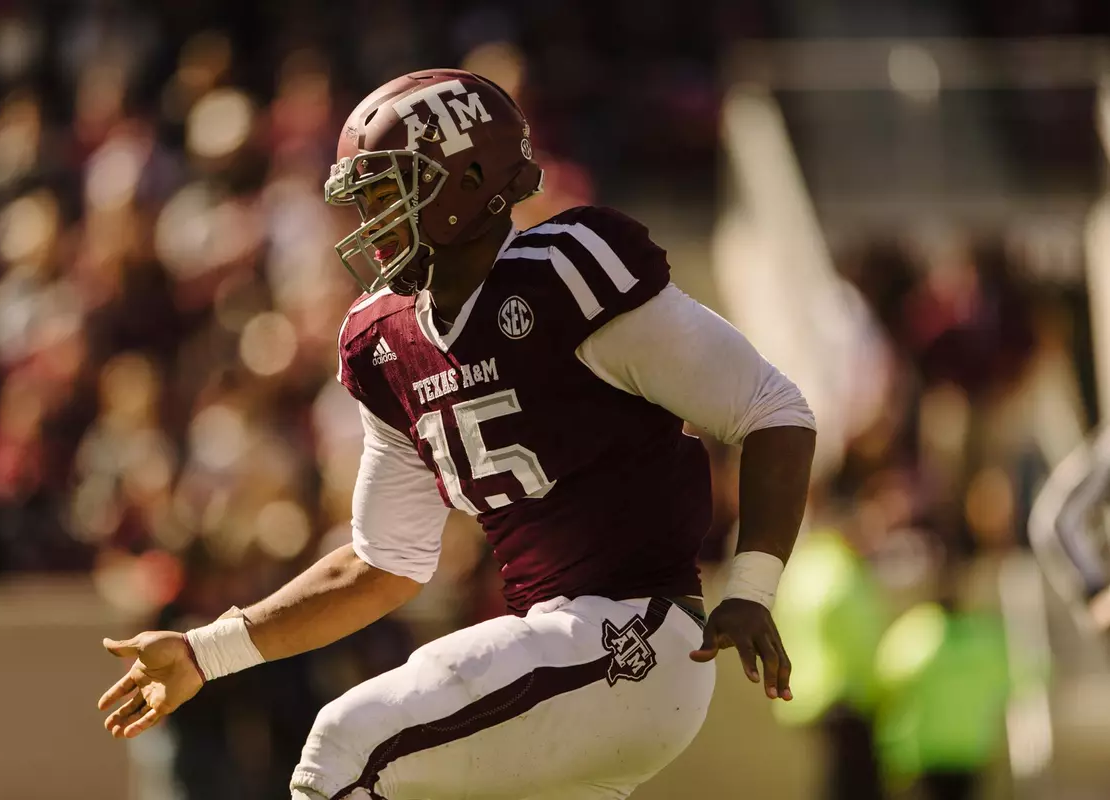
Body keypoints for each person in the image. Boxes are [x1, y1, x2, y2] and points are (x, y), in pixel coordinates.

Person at [98, 69, 818, 800]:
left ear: (469, 179)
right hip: (564, 664)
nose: (370, 222)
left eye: (388, 192)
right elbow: (380, 565)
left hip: (632, 637)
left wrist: (754, 588)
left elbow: (772, 409)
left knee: (346, 746)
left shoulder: (567, 273)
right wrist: (204, 653)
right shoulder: (384, 343)